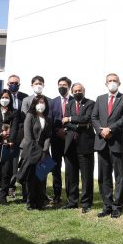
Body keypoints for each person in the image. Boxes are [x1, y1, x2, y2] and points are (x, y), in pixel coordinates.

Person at [91, 73, 123, 218]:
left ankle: (117, 206)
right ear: (106, 83)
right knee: (104, 176)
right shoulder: (100, 99)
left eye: (115, 80)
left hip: (117, 142)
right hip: (102, 142)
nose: (112, 82)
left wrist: (110, 129)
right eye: (109, 81)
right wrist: (101, 131)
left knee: (119, 176)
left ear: (119, 83)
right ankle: (107, 205)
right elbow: (94, 117)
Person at [59, 83, 95, 213]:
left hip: (85, 145)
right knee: (71, 176)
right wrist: (79, 125)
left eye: (80, 90)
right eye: (75, 91)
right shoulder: (69, 104)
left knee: (86, 176)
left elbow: (87, 118)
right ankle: (72, 202)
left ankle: (86, 203)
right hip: (70, 145)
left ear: (84, 91)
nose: (77, 93)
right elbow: (66, 123)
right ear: (72, 92)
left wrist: (70, 119)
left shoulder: (91, 103)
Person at [17, 94, 52, 210]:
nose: (40, 104)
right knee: (31, 178)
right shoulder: (30, 116)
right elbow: (28, 137)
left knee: (41, 177)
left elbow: (48, 135)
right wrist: (37, 151)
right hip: (31, 150)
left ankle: (40, 202)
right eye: (38, 102)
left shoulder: (47, 118)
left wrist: (45, 149)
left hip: (43, 151)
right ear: (34, 104)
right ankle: (30, 202)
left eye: (42, 102)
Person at [49, 77, 73, 205]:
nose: (61, 87)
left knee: (70, 169)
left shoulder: (74, 100)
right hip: (56, 140)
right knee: (56, 168)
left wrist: (67, 131)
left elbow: (76, 117)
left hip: (70, 140)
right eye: (60, 85)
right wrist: (57, 131)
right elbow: (50, 119)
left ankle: (71, 196)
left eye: (64, 85)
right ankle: (57, 195)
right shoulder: (52, 102)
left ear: (69, 86)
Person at [5, 74, 29, 199]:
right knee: (7, 161)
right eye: (11, 83)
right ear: (7, 84)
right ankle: (7, 186)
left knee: (18, 162)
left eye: (16, 83)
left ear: (19, 84)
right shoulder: (3, 96)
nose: (14, 85)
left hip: (21, 134)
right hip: (7, 133)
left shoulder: (25, 97)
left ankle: (16, 186)